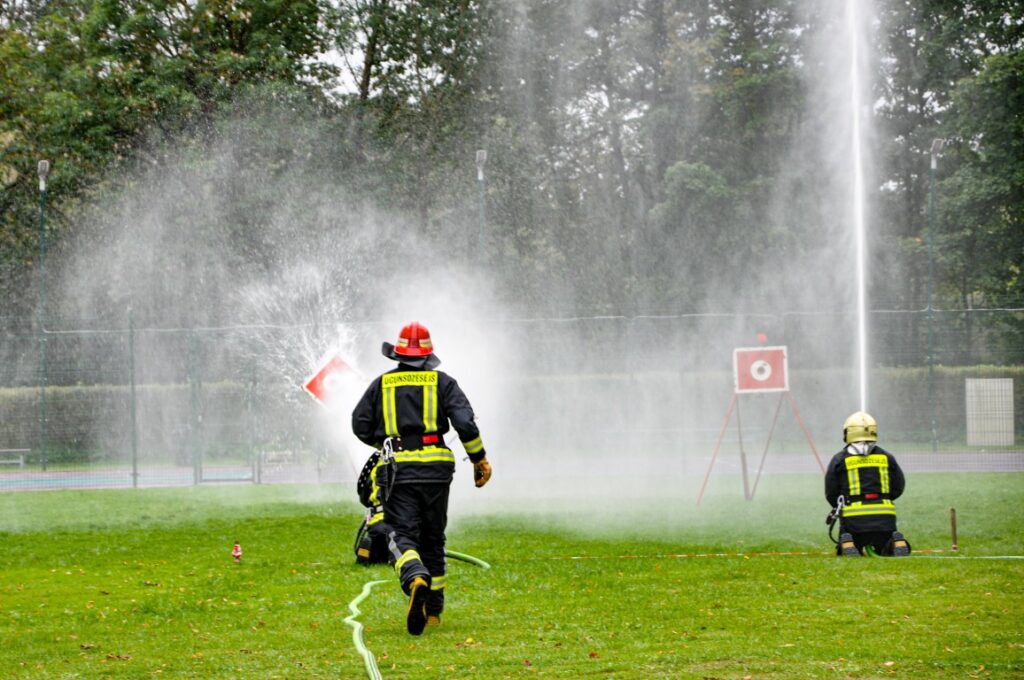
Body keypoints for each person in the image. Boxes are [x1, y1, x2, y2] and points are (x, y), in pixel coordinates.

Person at [351, 321, 492, 635]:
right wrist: (479, 458)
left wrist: (387, 443)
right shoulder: (444, 383)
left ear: (398, 355)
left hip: (399, 470)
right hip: (437, 469)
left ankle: (415, 576)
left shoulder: (381, 385)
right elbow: (465, 424)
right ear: (428, 356)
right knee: (433, 538)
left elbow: (359, 424)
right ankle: (433, 613)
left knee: (400, 534)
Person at [825, 411, 910, 556]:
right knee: (884, 546)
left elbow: (831, 492)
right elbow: (898, 486)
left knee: (849, 540)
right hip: (885, 518)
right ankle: (895, 541)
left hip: (853, 520)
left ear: (848, 433)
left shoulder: (839, 459)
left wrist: (843, 505)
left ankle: (848, 543)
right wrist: (884, 499)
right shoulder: (887, 457)